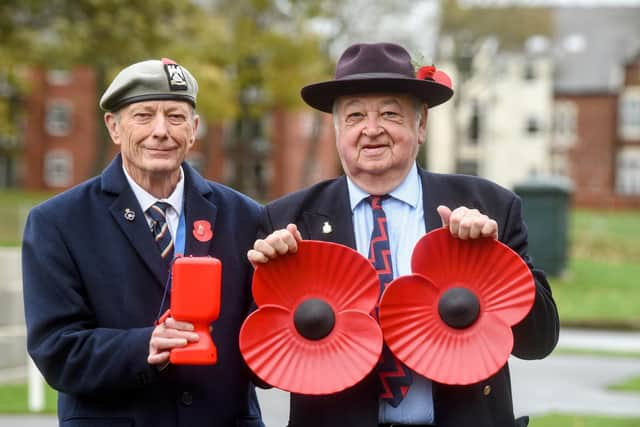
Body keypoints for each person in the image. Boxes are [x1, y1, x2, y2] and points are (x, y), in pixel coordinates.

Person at [247, 42, 559, 427]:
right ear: (337, 129)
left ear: (421, 125)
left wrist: (495, 262)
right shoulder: (289, 222)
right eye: (355, 115)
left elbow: (538, 342)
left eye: (390, 114)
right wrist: (276, 281)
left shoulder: (488, 205)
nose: (372, 129)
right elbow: (259, 373)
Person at [22, 58, 265, 427]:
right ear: (114, 127)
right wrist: (145, 346)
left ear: (194, 129)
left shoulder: (247, 217)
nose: (161, 131)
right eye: (143, 115)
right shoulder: (58, 223)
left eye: (176, 116)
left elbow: (265, 339)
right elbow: (57, 351)